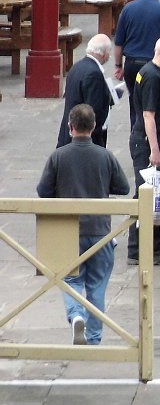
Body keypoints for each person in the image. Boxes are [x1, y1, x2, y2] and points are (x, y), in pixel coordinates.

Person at [37, 103, 131, 345]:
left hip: (69, 231)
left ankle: (76, 314)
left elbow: (43, 191)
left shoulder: (58, 156)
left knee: (69, 279)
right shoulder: (105, 156)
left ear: (70, 127)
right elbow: (123, 187)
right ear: (94, 126)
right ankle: (95, 338)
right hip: (100, 230)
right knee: (97, 285)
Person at [127, 36, 160, 265]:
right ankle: (136, 249)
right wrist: (154, 149)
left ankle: (155, 244)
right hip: (147, 141)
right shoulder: (152, 77)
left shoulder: (151, 72)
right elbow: (149, 115)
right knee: (145, 194)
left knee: (155, 194)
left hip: (151, 138)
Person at [57, 34, 116, 149]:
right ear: (104, 54)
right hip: (84, 138)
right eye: (109, 52)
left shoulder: (77, 67)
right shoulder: (94, 74)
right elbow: (94, 110)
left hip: (70, 132)